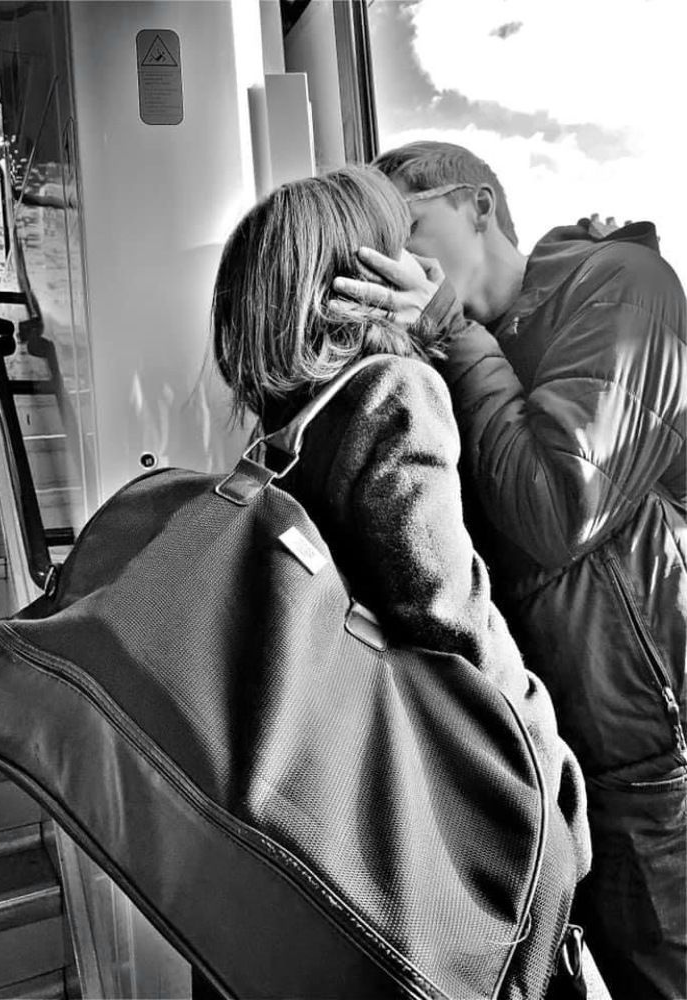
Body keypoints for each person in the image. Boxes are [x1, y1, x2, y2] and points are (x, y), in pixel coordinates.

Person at [213, 164, 591, 998]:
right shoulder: (396, 392)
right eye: (399, 246)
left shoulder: (275, 446)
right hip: (436, 847)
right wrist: (556, 774)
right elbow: (453, 629)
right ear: (362, 283)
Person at [332, 141, 687, 1000]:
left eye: (407, 227)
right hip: (567, 766)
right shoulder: (454, 354)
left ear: (478, 206)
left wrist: (450, 332)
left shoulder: (624, 284)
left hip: (657, 757)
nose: (394, 261)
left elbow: (559, 505)